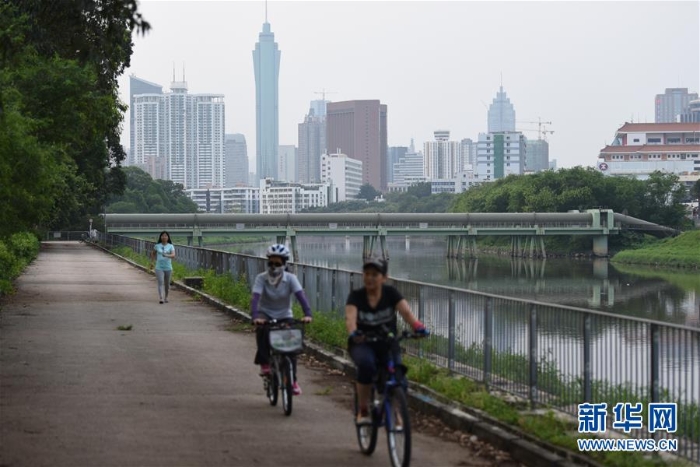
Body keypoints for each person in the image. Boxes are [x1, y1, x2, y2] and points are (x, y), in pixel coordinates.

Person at [345, 256, 429, 424]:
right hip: (363, 343)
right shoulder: (356, 296)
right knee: (367, 366)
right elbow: (350, 319)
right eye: (367, 273)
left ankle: (395, 410)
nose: (370, 278)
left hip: (387, 342)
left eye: (375, 274)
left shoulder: (391, 293)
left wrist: (418, 327)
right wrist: (354, 333)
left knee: (399, 378)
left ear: (384, 277)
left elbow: (406, 313)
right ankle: (363, 409)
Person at [251, 244, 313, 396]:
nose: (273, 267)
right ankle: (265, 363)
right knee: (263, 330)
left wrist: (307, 314)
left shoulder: (291, 279)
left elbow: (301, 296)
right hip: (265, 313)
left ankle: (293, 381)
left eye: (277, 264)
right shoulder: (261, 278)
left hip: (285, 314)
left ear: (284, 264)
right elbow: (255, 298)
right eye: (271, 263)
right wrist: (255, 316)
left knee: (291, 346)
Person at [150, 231, 175, 304]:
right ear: (160, 237)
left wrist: (167, 255)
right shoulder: (157, 246)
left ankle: (166, 297)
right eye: (163, 236)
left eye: (165, 236)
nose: (164, 237)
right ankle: (161, 297)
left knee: (167, 284)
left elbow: (173, 255)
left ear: (168, 237)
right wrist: (152, 262)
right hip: (159, 267)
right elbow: (153, 253)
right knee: (160, 282)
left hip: (168, 267)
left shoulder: (171, 246)